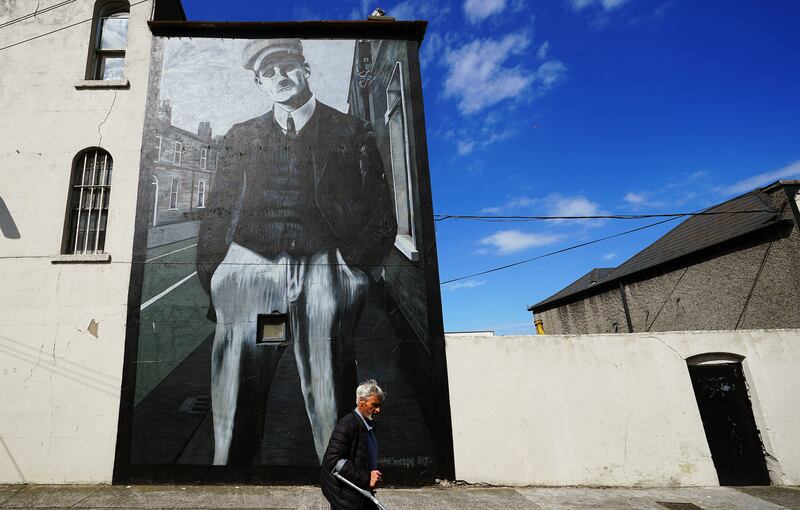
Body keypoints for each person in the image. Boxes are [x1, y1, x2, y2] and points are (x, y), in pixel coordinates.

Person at [196, 39, 397, 466]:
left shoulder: (351, 131)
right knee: (237, 387)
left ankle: (341, 480)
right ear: (258, 83)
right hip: (250, 270)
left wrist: (353, 269)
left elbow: (381, 211)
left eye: (287, 67)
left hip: (324, 270)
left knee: (327, 388)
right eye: (268, 73)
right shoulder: (241, 137)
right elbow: (218, 211)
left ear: (305, 70)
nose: (280, 78)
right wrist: (216, 277)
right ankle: (229, 487)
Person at [321, 379, 385, 510]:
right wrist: (367, 478)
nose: (378, 410)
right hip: (347, 501)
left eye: (380, 405)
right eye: (375, 405)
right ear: (361, 402)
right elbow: (333, 462)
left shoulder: (366, 425)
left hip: (360, 496)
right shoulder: (347, 425)